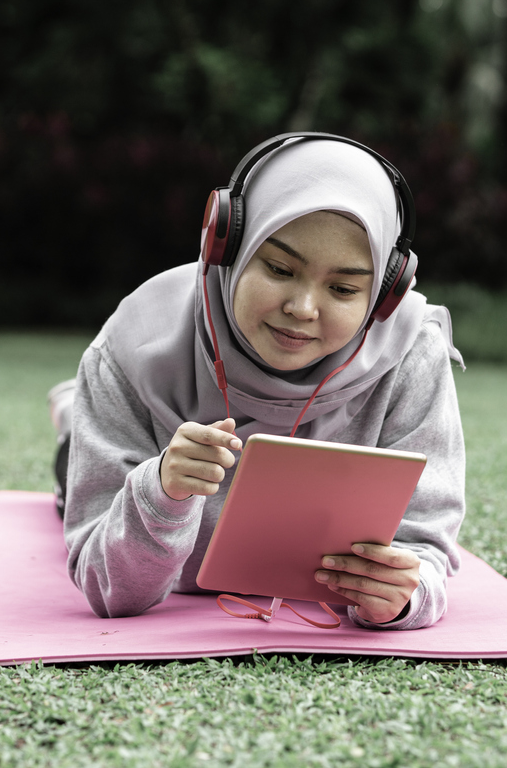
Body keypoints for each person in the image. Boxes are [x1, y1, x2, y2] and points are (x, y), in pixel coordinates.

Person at [48, 134, 465, 630]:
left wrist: (403, 597)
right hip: (118, 434)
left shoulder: (411, 354)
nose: (303, 309)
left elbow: (425, 551)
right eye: (280, 268)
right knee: (71, 459)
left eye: (344, 288)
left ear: (384, 292)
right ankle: (73, 417)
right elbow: (105, 585)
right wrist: (159, 493)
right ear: (228, 246)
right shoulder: (132, 347)